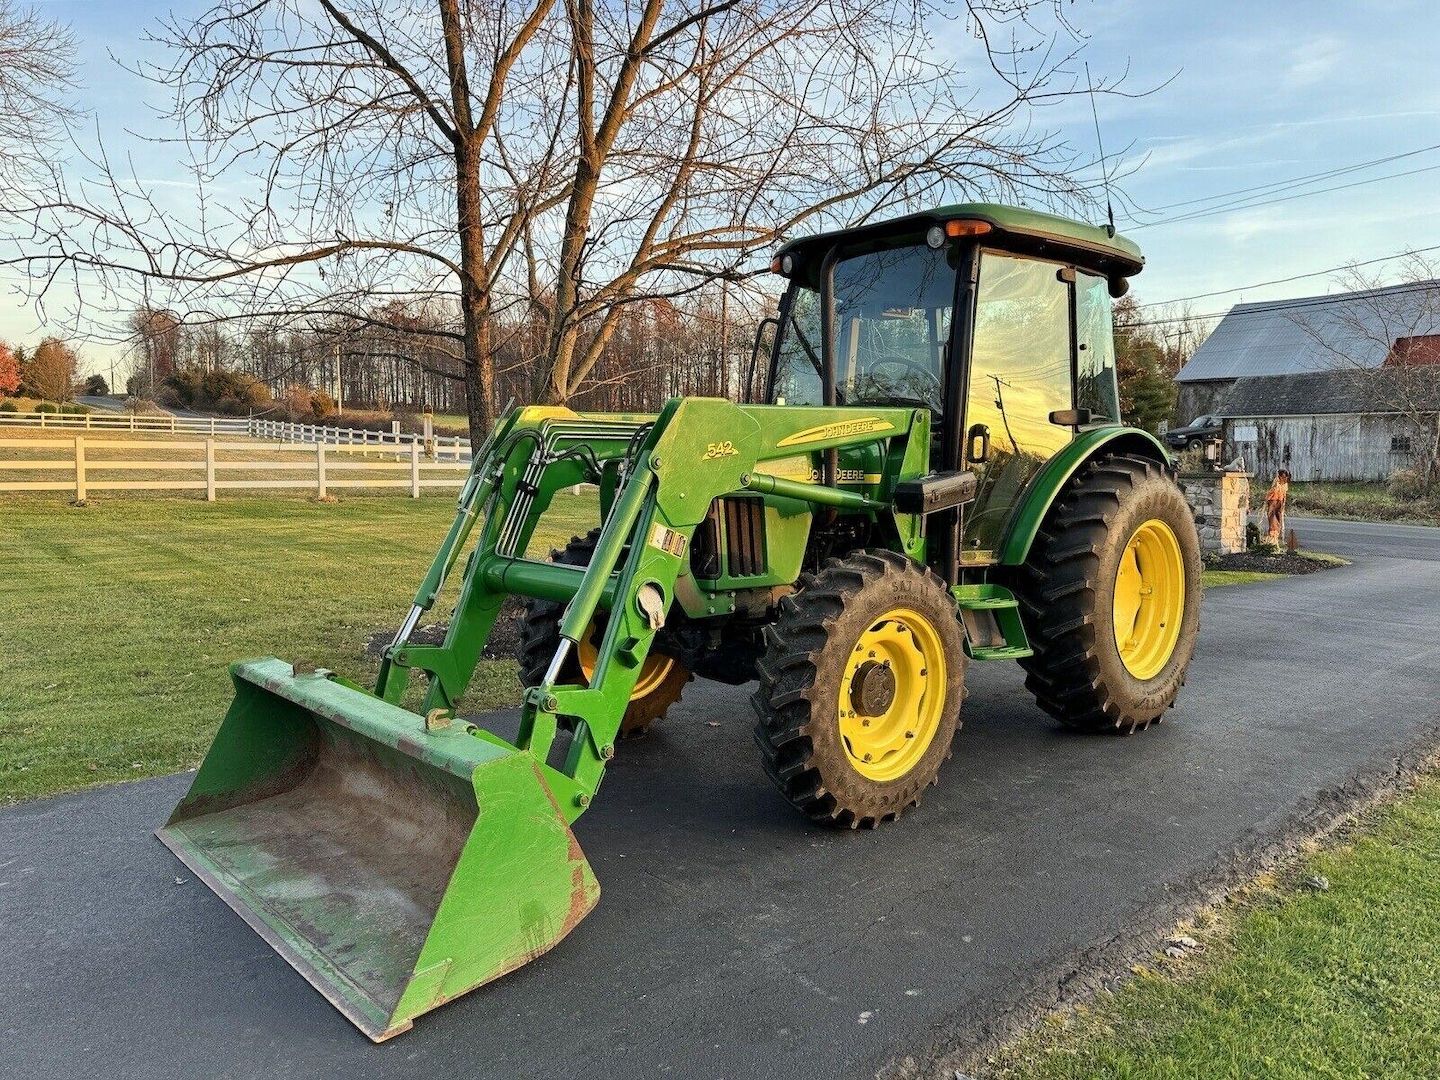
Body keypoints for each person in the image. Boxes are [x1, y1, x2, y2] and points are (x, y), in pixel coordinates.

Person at [1265, 468, 1290, 544]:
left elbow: (1284, 495)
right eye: (1283, 477)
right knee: (1272, 520)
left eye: (1286, 477)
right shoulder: (1276, 483)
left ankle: (1276, 538)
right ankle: (1272, 538)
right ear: (1279, 476)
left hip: (1280, 502)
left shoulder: (1285, 484)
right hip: (1273, 502)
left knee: (1279, 520)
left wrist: (1283, 505)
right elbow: (1270, 494)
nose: (1284, 478)